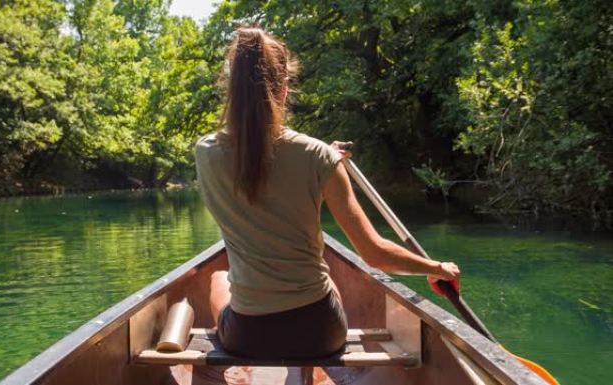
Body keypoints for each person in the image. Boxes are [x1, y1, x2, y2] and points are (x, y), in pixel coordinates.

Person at [194, 27, 460, 359]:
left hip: (248, 336)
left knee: (218, 277)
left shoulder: (205, 152)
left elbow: (266, 172)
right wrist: (436, 268)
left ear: (230, 90)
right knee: (329, 281)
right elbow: (374, 254)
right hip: (319, 332)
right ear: (285, 89)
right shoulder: (318, 157)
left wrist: (324, 161)